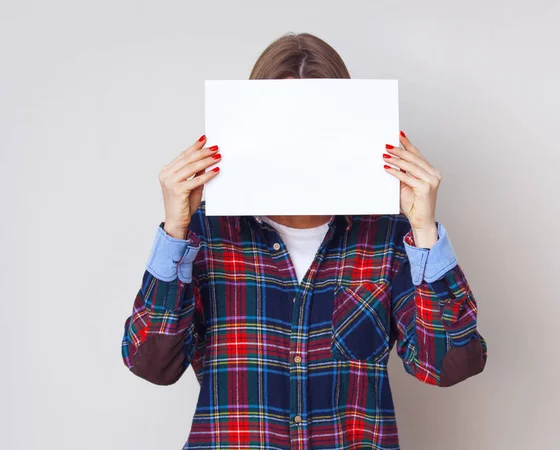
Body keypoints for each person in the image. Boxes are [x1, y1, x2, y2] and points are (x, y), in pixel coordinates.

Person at [121, 32, 487, 450]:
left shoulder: (386, 237)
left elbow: (452, 364)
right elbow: (151, 362)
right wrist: (175, 229)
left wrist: (424, 230)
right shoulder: (205, 234)